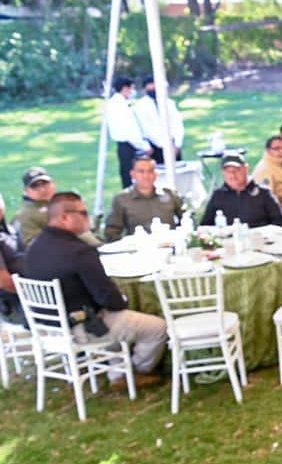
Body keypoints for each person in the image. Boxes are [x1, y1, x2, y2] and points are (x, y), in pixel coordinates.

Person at [24, 192, 167, 386]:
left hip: (47, 328)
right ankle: (133, 372)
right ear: (65, 217)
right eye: (83, 213)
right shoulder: (79, 252)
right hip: (81, 328)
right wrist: (124, 299)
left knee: (111, 318)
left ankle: (116, 372)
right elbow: (109, 298)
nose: (87, 217)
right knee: (157, 328)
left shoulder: (35, 247)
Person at [103, 156, 184, 241]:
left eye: (150, 171)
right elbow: (111, 232)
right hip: (138, 249)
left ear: (156, 174)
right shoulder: (122, 199)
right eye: (141, 171)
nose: (146, 176)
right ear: (133, 174)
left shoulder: (169, 194)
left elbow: (186, 219)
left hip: (170, 245)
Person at [200, 154, 282, 229]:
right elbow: (205, 225)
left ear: (246, 169)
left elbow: (279, 222)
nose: (232, 175)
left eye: (236, 170)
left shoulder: (263, 193)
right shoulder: (218, 195)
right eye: (228, 171)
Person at [106, 76, 149, 189]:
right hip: (128, 144)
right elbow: (129, 129)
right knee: (130, 174)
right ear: (125, 88)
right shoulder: (120, 105)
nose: (132, 92)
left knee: (127, 172)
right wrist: (142, 145)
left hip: (125, 144)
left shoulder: (115, 103)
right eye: (131, 89)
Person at [134, 76, 185, 164]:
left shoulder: (169, 103)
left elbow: (177, 123)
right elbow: (145, 128)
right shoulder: (140, 106)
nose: (153, 89)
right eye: (150, 87)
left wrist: (177, 144)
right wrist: (158, 145)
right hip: (154, 147)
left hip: (172, 145)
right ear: (145, 88)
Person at [252, 135, 282, 227]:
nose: (281, 151)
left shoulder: (279, 163)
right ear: (268, 150)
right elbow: (265, 200)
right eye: (276, 149)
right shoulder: (265, 169)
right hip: (281, 214)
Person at [13, 166, 57, 250]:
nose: (42, 189)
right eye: (35, 186)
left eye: (45, 183)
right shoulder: (26, 215)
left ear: (53, 183)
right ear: (26, 190)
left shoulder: (53, 205)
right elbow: (32, 248)